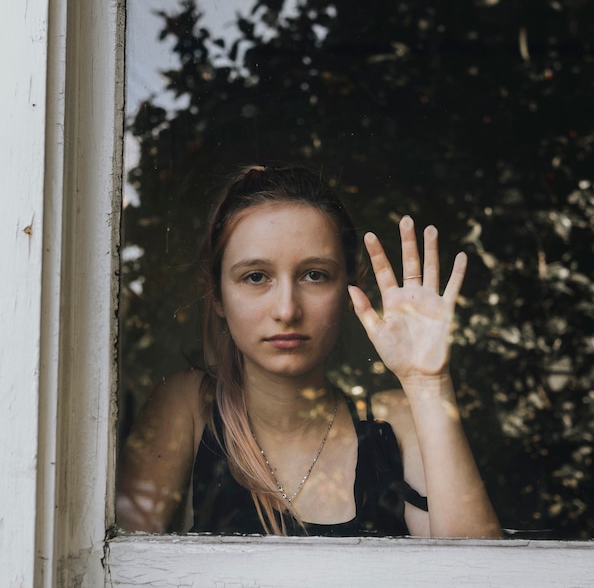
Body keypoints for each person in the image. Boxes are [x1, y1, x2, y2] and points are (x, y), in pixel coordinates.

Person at [116, 164, 502, 538]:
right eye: (255, 277)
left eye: (314, 275)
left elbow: (475, 575)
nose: (287, 310)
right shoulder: (188, 407)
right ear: (217, 295)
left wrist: (428, 384)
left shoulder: (396, 423)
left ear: (349, 290)